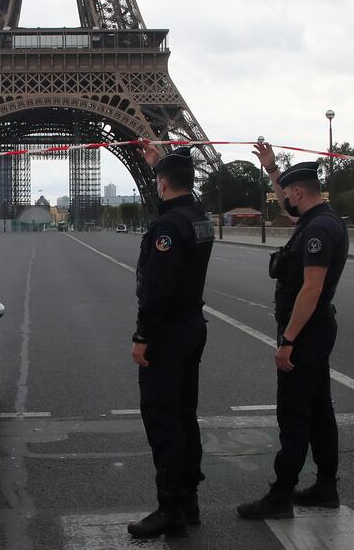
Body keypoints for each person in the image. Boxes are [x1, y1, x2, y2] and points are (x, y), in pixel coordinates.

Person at [237, 148, 349, 520]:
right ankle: (326, 486)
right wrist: (272, 170)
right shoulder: (324, 219)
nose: (285, 200)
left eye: (288, 194)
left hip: (306, 331)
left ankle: (280, 495)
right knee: (319, 410)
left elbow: (311, 290)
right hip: (318, 329)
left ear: (298, 193)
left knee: (294, 413)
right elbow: (290, 211)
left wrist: (288, 340)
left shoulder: (316, 229)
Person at [126, 145, 215, 539]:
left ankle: (170, 507)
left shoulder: (168, 227)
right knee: (184, 414)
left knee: (162, 418)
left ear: (162, 183)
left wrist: (143, 335)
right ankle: (188, 498)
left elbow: (157, 290)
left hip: (167, 332)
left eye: (159, 180)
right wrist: (160, 162)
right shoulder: (199, 221)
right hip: (192, 325)